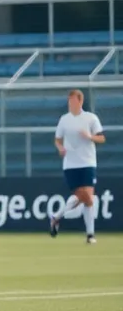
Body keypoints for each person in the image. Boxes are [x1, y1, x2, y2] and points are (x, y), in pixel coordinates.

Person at [50, 88, 105, 244]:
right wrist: (60, 148)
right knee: (85, 197)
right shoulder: (64, 119)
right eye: (69, 101)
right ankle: (57, 216)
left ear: (80, 101)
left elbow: (101, 138)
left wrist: (89, 136)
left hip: (88, 162)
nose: (71, 104)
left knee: (88, 199)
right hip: (71, 164)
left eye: (73, 101)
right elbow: (57, 139)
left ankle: (89, 234)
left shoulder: (90, 118)